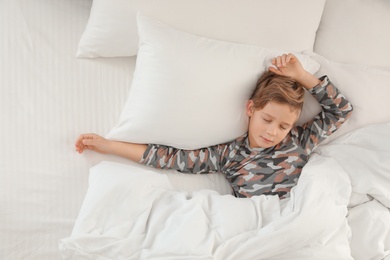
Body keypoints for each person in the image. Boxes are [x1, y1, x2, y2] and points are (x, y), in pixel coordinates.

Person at [75, 54, 353, 199]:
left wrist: (303, 75)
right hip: (266, 221)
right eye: (267, 120)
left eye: (283, 125)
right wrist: (109, 145)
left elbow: (340, 110)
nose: (272, 132)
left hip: (305, 208)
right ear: (250, 109)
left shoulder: (299, 140)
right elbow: (171, 158)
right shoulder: (230, 154)